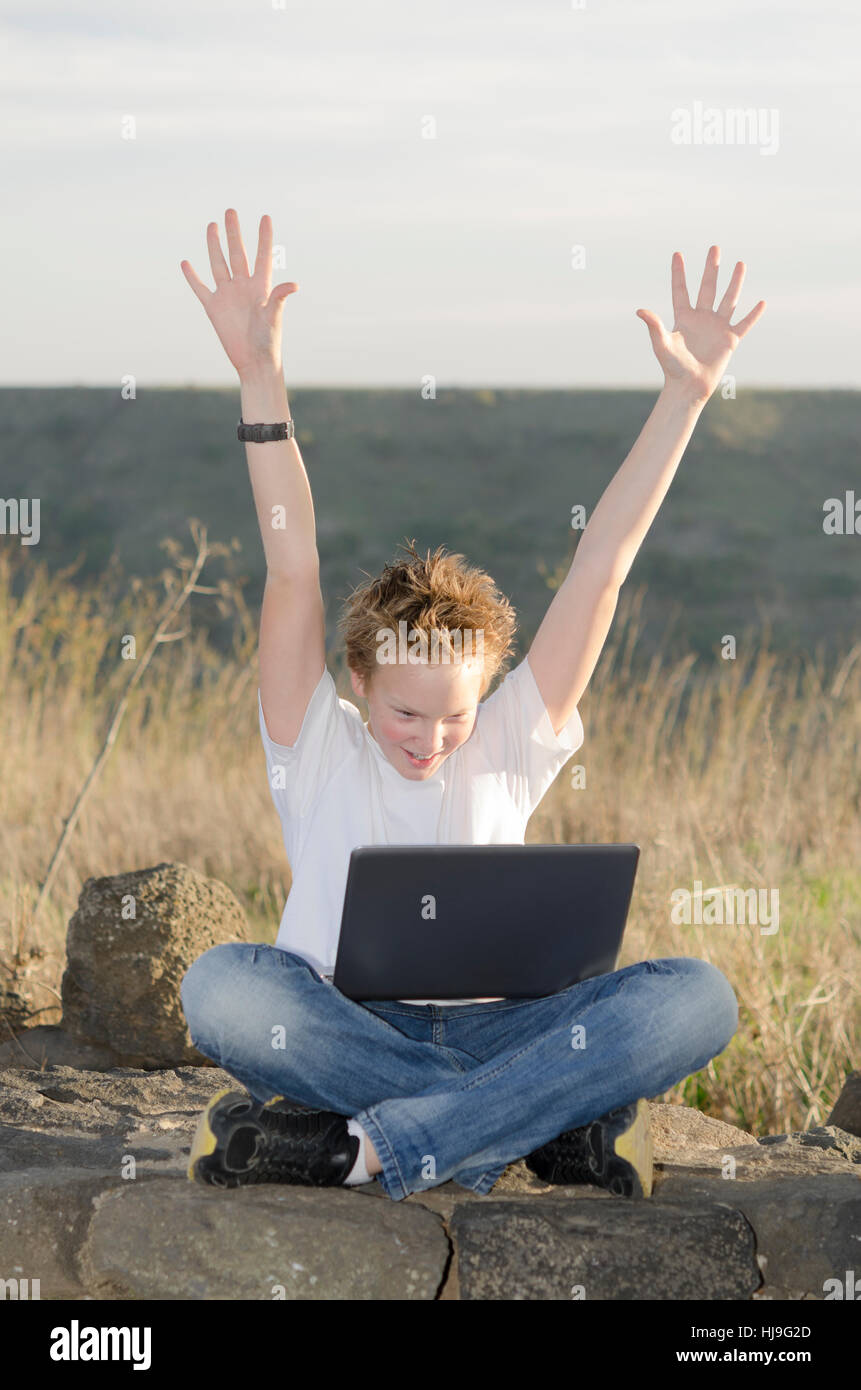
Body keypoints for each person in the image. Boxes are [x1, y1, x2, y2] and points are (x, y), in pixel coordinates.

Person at [178, 210, 764, 1202]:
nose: (432, 740)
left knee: (696, 1000)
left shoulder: (507, 739)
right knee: (223, 990)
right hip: (344, 1026)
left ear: (487, 690)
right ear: (359, 682)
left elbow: (603, 567)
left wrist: (685, 398)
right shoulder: (316, 744)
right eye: (406, 714)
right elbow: (292, 567)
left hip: (511, 1022)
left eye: (454, 715)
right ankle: (532, 1122)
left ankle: (364, 1147)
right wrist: (258, 379)